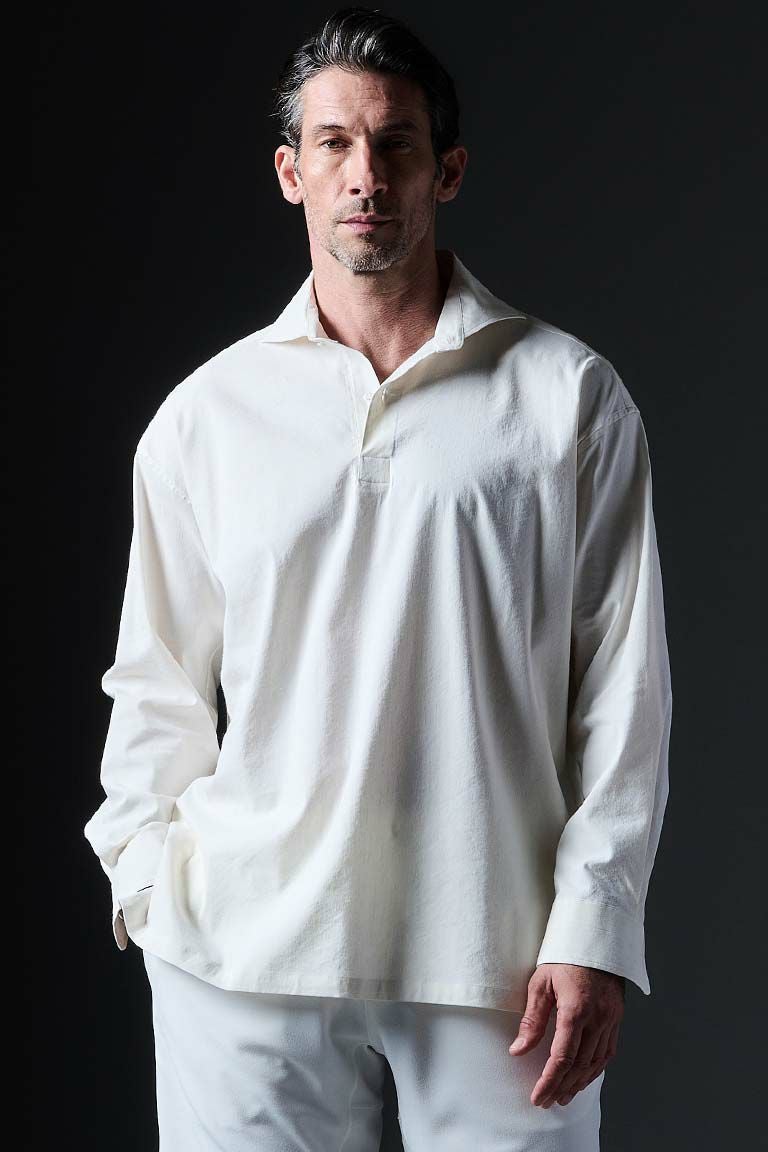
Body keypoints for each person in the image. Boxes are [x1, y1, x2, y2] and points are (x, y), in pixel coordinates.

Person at [83, 7, 673, 1149]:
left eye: (396, 143)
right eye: (335, 144)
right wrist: (145, 883)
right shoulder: (206, 418)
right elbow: (155, 681)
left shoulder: (566, 397)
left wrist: (594, 927)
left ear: (445, 170)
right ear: (291, 173)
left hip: (498, 955)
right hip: (241, 951)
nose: (366, 175)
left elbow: (624, 692)